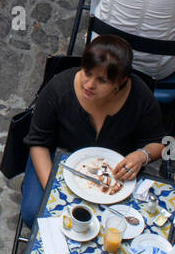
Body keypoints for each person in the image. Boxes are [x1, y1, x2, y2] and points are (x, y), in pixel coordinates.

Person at [21, 35, 166, 224]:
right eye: (87, 73)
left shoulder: (141, 98)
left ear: (120, 82)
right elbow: (38, 142)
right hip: (58, 157)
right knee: (35, 213)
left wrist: (142, 156)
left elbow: (161, 143)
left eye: (102, 80)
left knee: (118, 223)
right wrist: (52, 190)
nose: (89, 84)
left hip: (111, 173)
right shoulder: (59, 88)